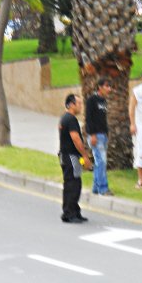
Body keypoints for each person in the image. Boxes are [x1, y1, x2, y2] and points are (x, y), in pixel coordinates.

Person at [58, 94, 92, 223]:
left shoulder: (64, 118)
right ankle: (69, 213)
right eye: (79, 103)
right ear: (71, 104)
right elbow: (76, 139)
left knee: (73, 183)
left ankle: (75, 211)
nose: (81, 106)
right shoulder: (71, 119)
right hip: (71, 156)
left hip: (66, 156)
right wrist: (85, 156)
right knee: (73, 184)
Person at [86, 77, 113, 196]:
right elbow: (89, 118)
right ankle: (103, 188)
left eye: (109, 86)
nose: (109, 89)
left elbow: (103, 119)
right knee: (101, 161)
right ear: (100, 87)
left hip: (103, 135)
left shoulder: (103, 101)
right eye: (107, 86)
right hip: (95, 135)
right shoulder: (92, 100)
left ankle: (96, 187)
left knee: (99, 162)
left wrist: (107, 133)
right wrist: (92, 135)